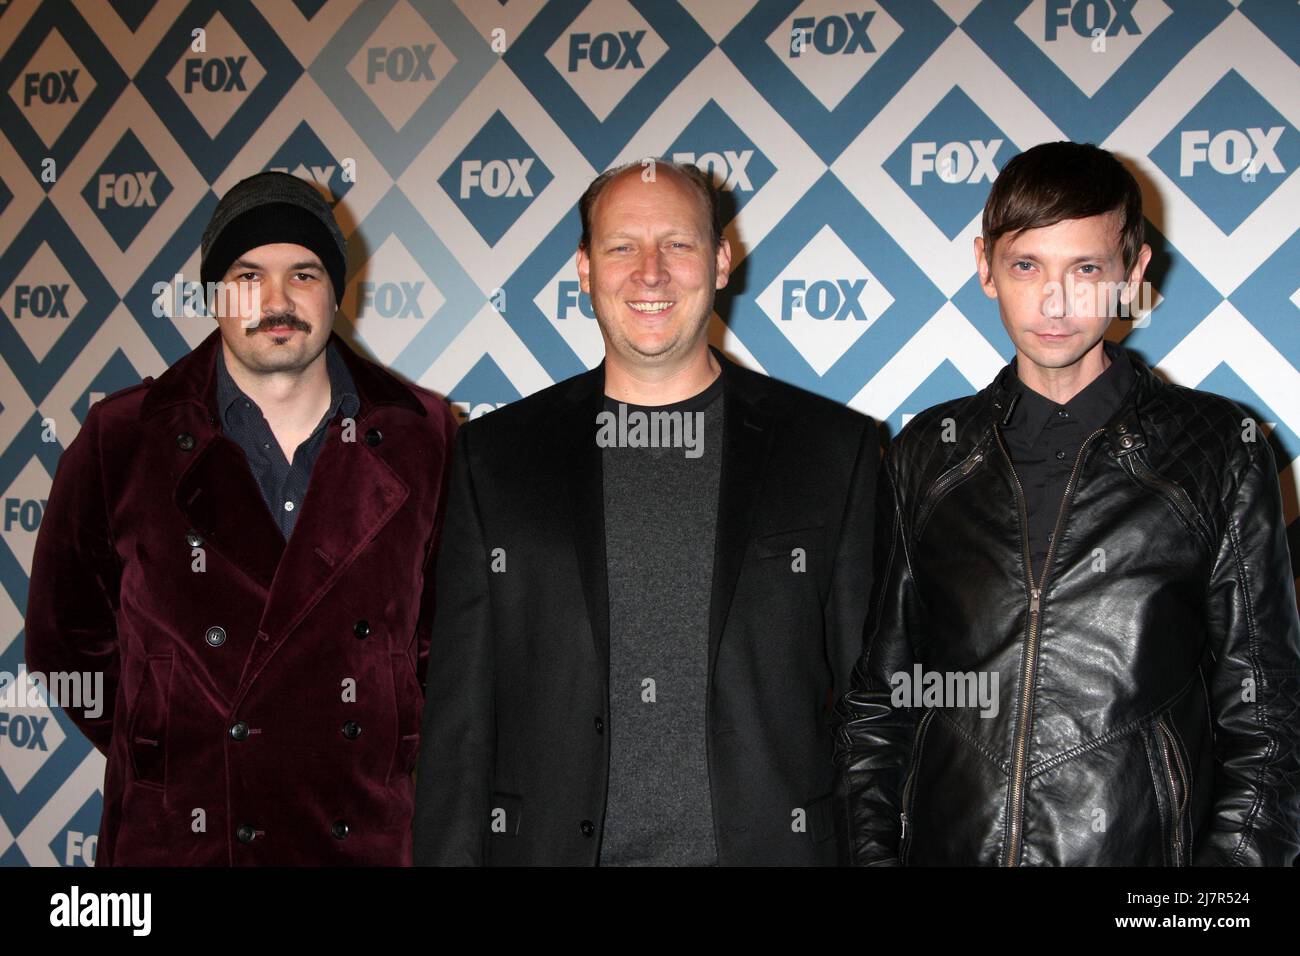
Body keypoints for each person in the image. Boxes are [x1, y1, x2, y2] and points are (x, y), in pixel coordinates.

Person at [834, 141, 1300, 866]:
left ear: (1133, 273)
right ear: (984, 266)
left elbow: (1267, 724)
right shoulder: (932, 451)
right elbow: (881, 703)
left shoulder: (1216, 449)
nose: (1054, 302)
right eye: (1028, 266)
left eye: (1085, 268)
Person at [413, 159, 879, 865]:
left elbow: (870, 708)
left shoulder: (831, 450)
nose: (650, 272)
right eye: (621, 246)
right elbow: (460, 723)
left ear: (722, 261)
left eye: (679, 244)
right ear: (584, 267)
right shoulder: (495, 458)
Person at [25, 171, 457, 865]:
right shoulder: (122, 438)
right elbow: (64, 638)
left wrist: (389, 733)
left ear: (337, 288)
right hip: (181, 838)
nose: (277, 301)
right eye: (248, 274)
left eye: (305, 273)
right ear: (214, 293)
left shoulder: (423, 435)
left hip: (357, 834)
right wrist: (160, 736)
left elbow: (454, 635)